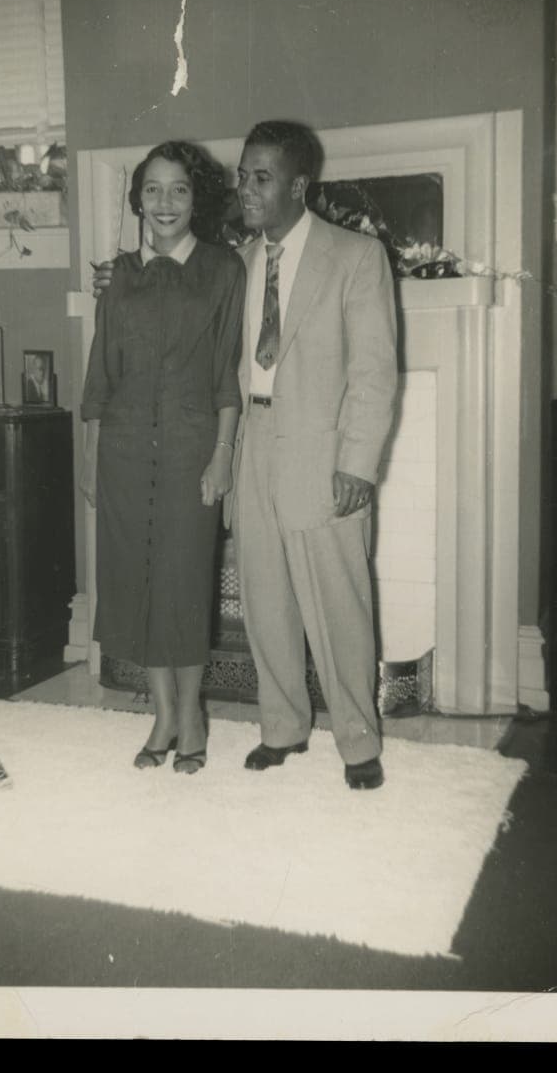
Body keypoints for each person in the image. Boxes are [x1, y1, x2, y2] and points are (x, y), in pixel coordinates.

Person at [94, 120, 399, 791]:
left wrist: (357, 462)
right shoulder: (237, 261)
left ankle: (357, 742)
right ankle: (282, 729)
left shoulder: (355, 256)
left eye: (262, 177)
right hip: (249, 446)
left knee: (338, 606)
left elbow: (375, 372)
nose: (247, 189)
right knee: (265, 603)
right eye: (242, 176)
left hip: (322, 455)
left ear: (298, 184)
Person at [80, 140, 245, 775]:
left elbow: (227, 372)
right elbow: (100, 373)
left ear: (196, 198)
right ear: (138, 200)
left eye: (179, 188)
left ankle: (193, 716)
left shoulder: (224, 270)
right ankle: (163, 716)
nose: (165, 201)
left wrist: (223, 453)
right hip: (122, 451)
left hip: (189, 450)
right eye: (152, 189)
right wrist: (90, 457)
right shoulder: (117, 275)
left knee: (184, 581)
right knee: (138, 580)